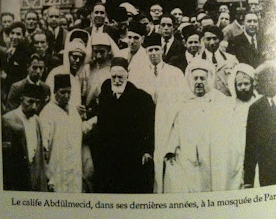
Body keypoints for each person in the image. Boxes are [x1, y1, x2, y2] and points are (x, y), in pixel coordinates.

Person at [163, 59, 228, 193]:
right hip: (186, 156)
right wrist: (170, 149)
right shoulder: (182, 102)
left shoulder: (218, 101)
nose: (199, 82)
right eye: (196, 78)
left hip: (210, 156)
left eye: (202, 78)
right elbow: (175, 128)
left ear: (208, 80)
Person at [93, 57, 155, 193]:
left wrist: (147, 150)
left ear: (128, 74)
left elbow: (149, 127)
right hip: (108, 155)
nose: (116, 81)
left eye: (120, 77)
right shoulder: (106, 92)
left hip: (130, 155)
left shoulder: (141, 98)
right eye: (113, 77)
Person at [142, 33, 186, 192]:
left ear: (162, 50)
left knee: (166, 165)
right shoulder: (139, 73)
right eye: (150, 50)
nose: (153, 53)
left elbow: (182, 101)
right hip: (147, 125)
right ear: (146, 52)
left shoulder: (174, 73)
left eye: (156, 49)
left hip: (166, 124)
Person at [244, 60, 276, 187]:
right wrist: (248, 181)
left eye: (258, 80)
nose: (254, 85)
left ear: (272, 80)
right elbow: (250, 148)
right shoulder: (254, 109)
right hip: (267, 177)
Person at [218, 63, 260, 190]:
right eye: (239, 85)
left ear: (252, 84)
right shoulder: (230, 107)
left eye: (246, 84)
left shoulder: (258, 104)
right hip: (234, 156)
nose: (243, 88)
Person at [40, 74, 83, 192]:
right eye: (62, 92)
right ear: (55, 92)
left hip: (74, 172)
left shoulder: (73, 111)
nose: (66, 96)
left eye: (69, 92)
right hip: (56, 173)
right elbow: (43, 146)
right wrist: (48, 176)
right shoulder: (47, 113)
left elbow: (78, 132)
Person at [2, 83, 47, 191]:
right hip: (16, 182)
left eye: (37, 103)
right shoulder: (8, 120)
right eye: (30, 102)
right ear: (22, 98)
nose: (34, 107)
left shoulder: (37, 121)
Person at [198, 25, 238, 96]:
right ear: (203, 40)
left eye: (215, 38)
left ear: (220, 39)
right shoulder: (196, 61)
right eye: (208, 39)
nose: (212, 42)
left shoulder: (231, 59)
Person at [119, 21, 150, 92]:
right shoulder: (120, 53)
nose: (132, 41)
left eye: (136, 38)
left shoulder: (147, 57)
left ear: (142, 39)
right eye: (129, 37)